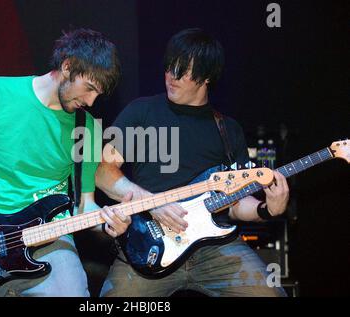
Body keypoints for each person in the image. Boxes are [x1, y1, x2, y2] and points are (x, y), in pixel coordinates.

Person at [95, 28, 289, 297]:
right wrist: (154, 202)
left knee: (271, 294)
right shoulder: (141, 111)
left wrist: (268, 209)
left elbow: (235, 204)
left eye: (184, 71)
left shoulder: (228, 130)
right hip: (150, 243)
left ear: (207, 77)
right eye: (169, 67)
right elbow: (103, 174)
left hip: (215, 248)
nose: (171, 77)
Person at [0, 28, 131, 297]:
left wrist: (106, 223)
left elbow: (83, 205)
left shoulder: (86, 129)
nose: (90, 101)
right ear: (67, 67)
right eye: (89, 88)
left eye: (97, 95)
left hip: (49, 237)